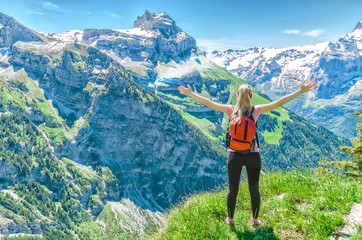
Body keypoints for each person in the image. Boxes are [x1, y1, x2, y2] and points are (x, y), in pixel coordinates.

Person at [178, 80, 316, 228]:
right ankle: (255, 221)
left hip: (234, 155)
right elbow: (279, 102)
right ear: (250, 96)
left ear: (237, 95)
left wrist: (191, 94)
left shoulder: (230, 110)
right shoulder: (256, 110)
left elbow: (209, 103)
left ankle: (230, 220)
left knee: (233, 189)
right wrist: (300, 91)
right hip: (253, 155)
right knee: (254, 189)